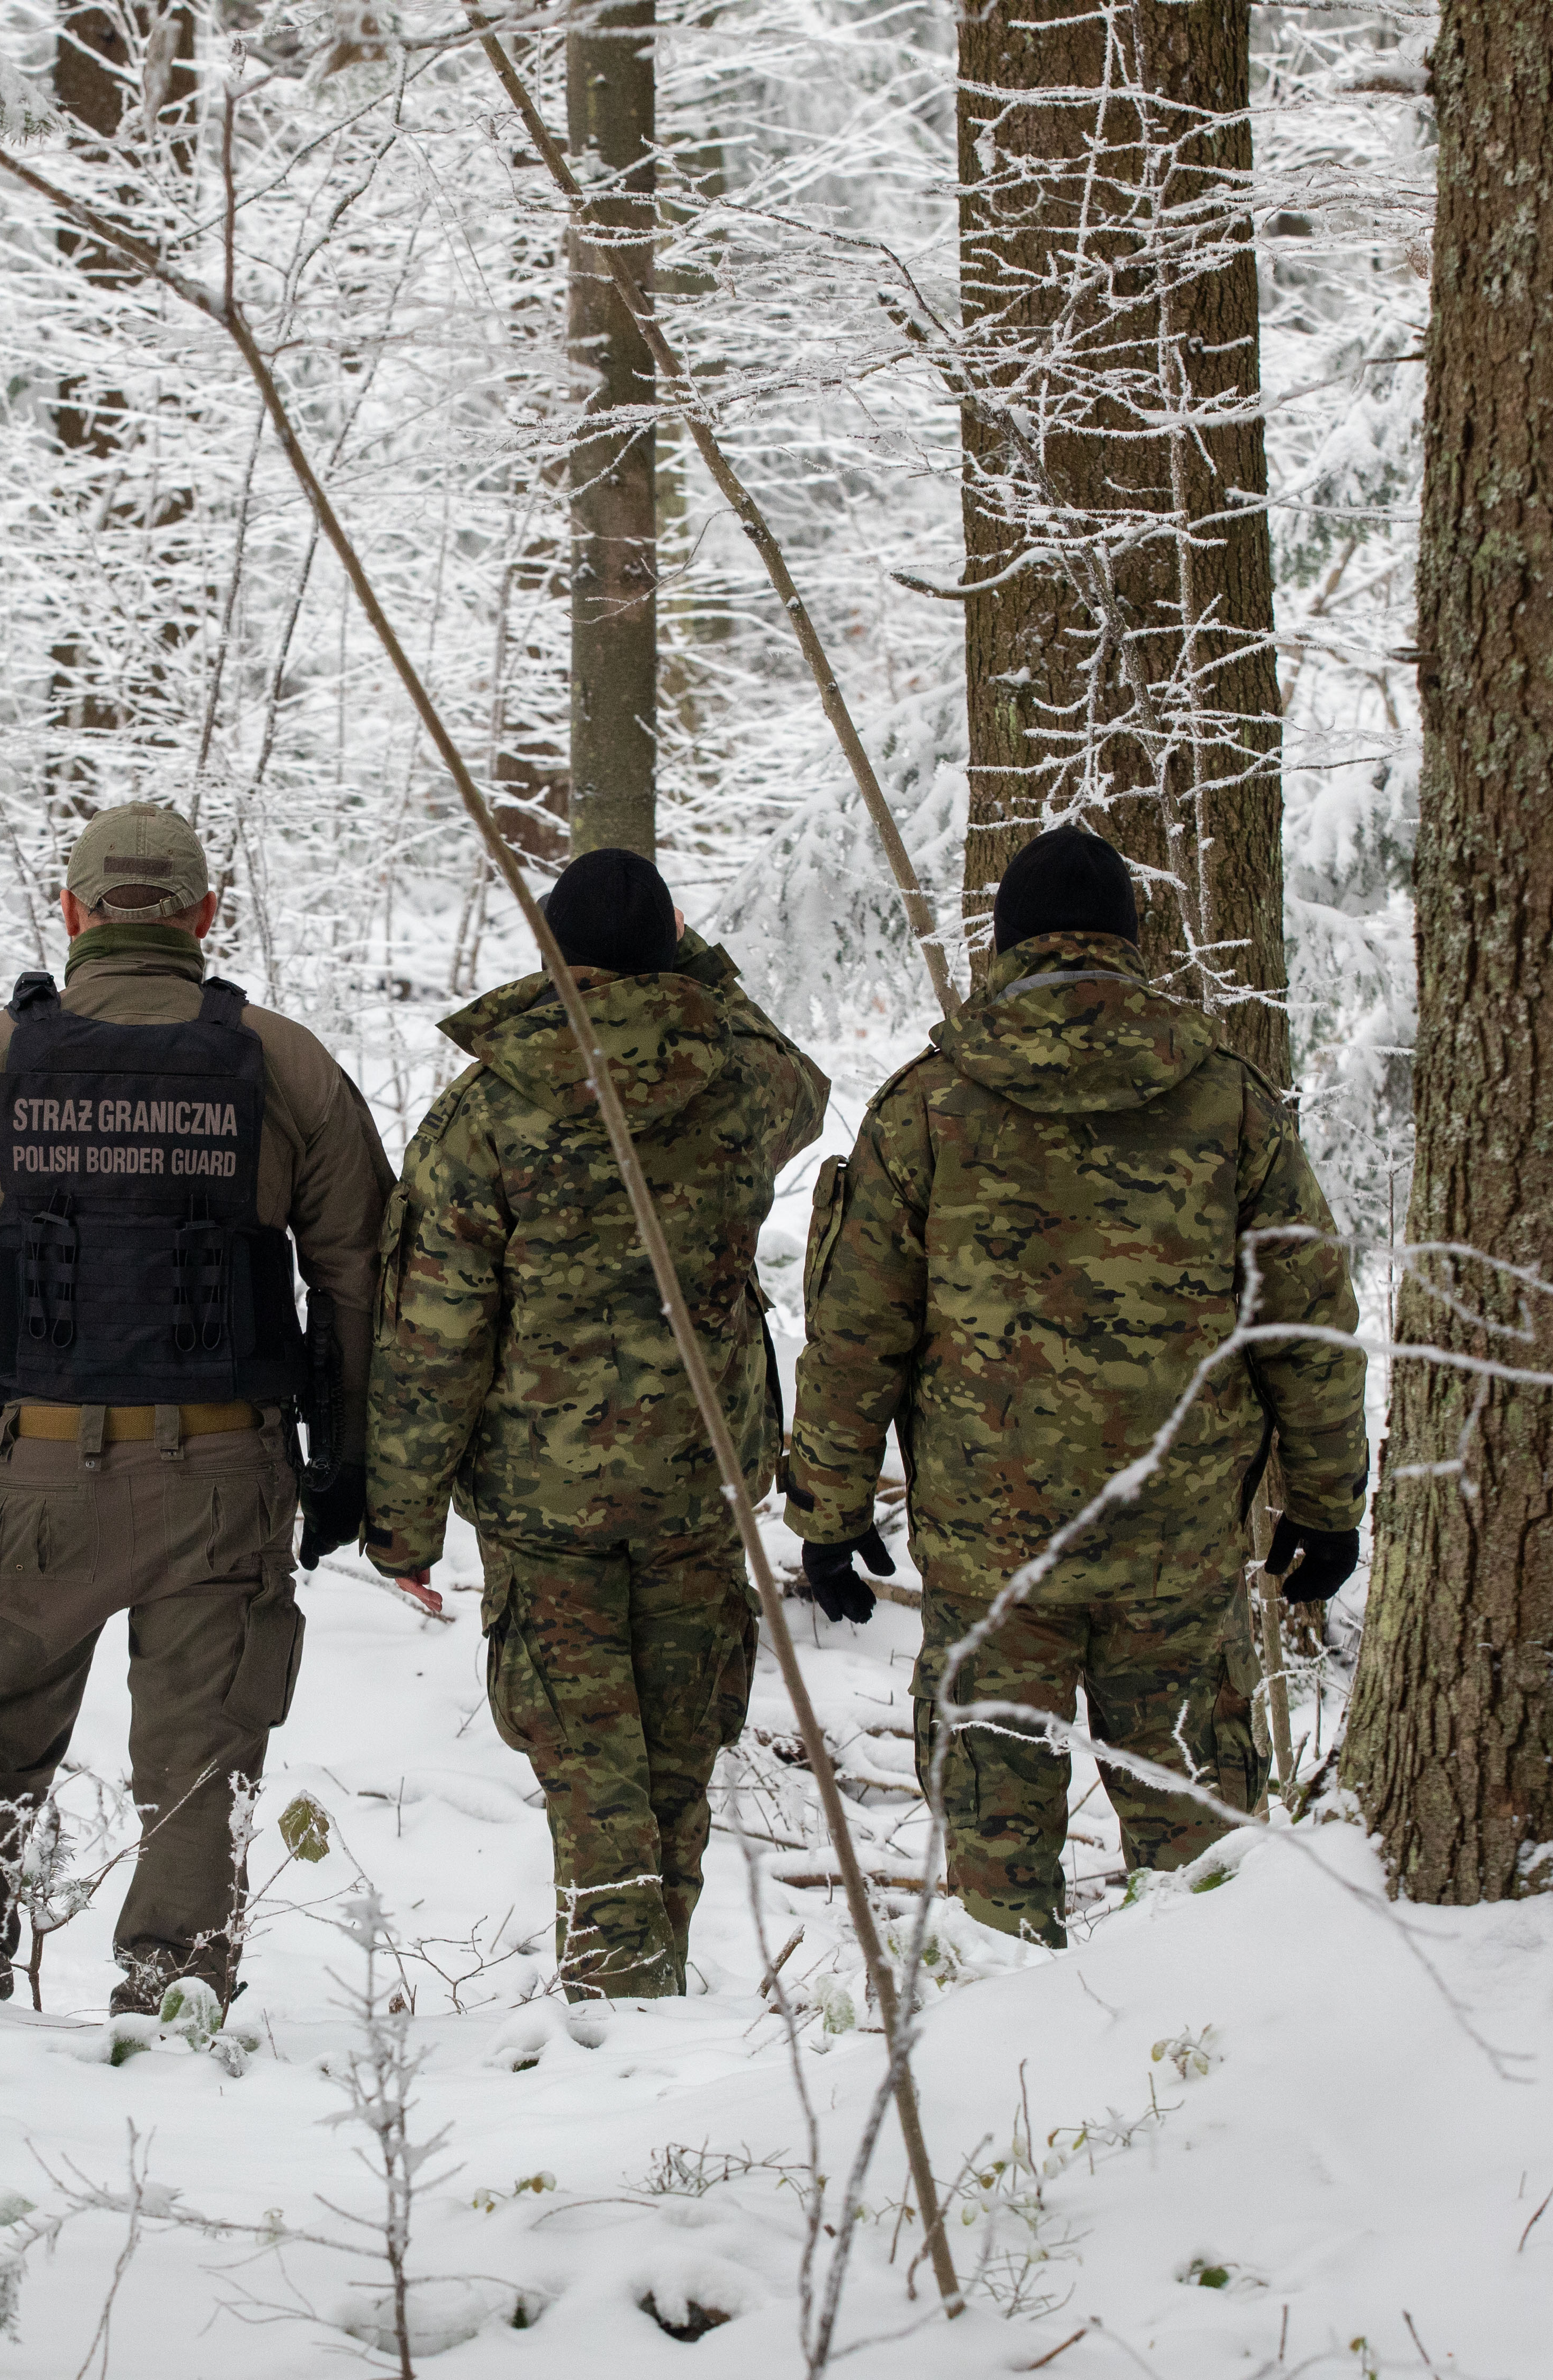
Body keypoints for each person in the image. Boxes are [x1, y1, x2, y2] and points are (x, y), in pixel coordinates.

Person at [0, 802, 391, 2011]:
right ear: (203, 916)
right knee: (199, 1770)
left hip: (37, 1480)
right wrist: (351, 1459)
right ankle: (174, 2004)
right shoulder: (286, 1064)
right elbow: (363, 1272)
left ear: (75, 912)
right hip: (228, 1482)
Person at [787, 823, 1367, 1948]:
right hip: (1180, 1556)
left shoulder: (928, 1107)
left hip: (997, 1563)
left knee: (999, 1903)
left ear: (1004, 940)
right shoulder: (1228, 1101)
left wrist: (830, 1510)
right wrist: (1330, 1501)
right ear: (1130, 941)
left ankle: (1008, 2087)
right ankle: (1196, 2080)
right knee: (1205, 1874)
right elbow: (1307, 1321)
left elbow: (857, 1332)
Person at [363, 848, 829, 1998]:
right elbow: (802, 1081)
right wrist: (689, 963)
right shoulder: (739, 1085)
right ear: (672, 942)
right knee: (676, 1757)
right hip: (698, 1478)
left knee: (588, 1762)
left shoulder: (488, 1113)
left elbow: (435, 1334)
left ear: (555, 956)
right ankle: (645, 1992)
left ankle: (625, 2000)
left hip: (545, 1499)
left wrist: (402, 1521)